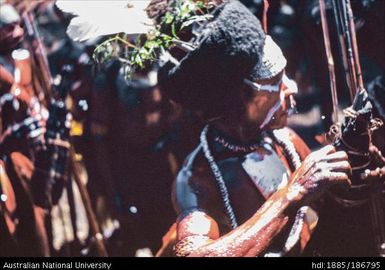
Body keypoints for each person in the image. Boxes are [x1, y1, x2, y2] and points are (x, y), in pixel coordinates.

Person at [156, 0, 351, 257]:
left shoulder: (286, 142)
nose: (291, 87)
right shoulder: (196, 180)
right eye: (275, 82)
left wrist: (357, 175)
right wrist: (292, 195)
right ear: (237, 102)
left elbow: (336, 209)